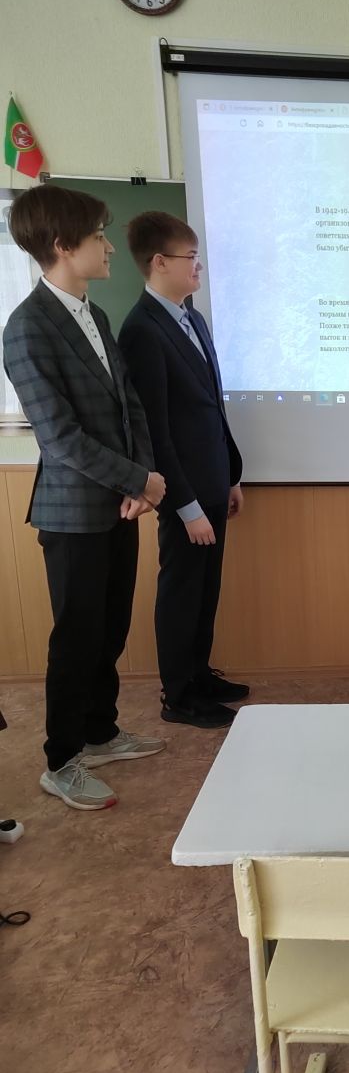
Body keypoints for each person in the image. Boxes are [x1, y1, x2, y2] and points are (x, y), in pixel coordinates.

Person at [2, 185, 166, 810]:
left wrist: (142, 478)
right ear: (63, 245)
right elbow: (61, 437)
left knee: (111, 627)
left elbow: (129, 407)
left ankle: (100, 731)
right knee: (76, 638)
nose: (109, 247)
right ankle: (61, 759)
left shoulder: (94, 316)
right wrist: (136, 481)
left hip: (121, 503)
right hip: (73, 513)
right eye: (98, 236)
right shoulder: (27, 328)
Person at [119, 212, 247, 729]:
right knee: (181, 590)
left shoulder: (192, 319)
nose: (198, 266)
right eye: (190, 257)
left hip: (213, 480)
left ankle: (199, 675)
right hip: (182, 492)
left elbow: (211, 407)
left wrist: (230, 475)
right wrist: (187, 506)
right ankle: (178, 694)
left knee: (205, 588)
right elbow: (154, 430)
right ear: (159, 262)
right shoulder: (142, 331)